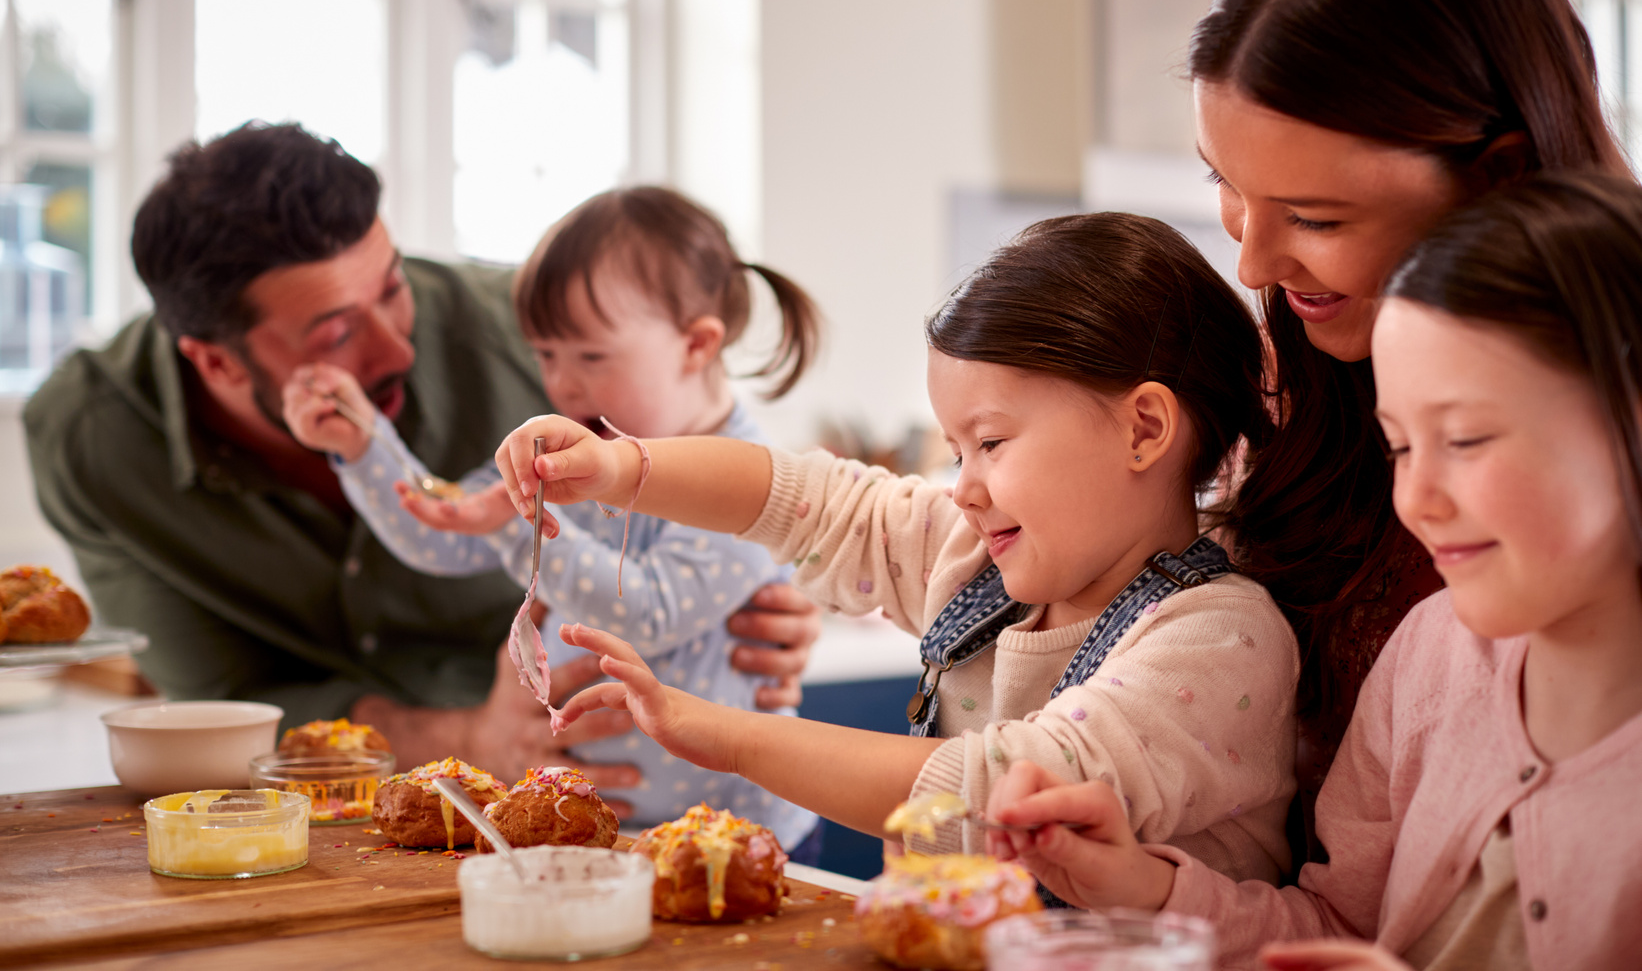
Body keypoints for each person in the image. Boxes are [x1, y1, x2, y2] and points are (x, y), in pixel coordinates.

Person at [496, 212, 1302, 887]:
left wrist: (723, 733)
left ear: (1144, 428)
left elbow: (995, 792)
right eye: (957, 452)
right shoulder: (977, 556)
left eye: (990, 442)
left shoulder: (1219, 638)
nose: (964, 486)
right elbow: (805, 498)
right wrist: (617, 465)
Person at [22, 123, 820, 791]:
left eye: (395, 288)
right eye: (336, 331)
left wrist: (782, 570)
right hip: (409, 802)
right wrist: (373, 454)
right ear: (219, 363)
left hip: (719, 814)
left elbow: (690, 552)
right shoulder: (93, 439)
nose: (398, 343)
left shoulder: (546, 328)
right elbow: (230, 702)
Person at [984, 174, 1642, 971]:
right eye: (1399, 447)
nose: (1418, 498)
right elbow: (1338, 923)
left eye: (1466, 440)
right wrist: (1140, 884)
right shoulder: (1428, 658)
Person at [1186, 0, 1632, 833]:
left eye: (1316, 216)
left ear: (1497, 177)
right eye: (1223, 182)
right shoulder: (1284, 371)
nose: (1253, 260)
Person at [280, 186, 825, 858]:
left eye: (591, 356)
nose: (563, 384)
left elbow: (646, 614)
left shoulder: (749, 477)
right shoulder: (577, 450)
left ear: (696, 343)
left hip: (736, 835)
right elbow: (439, 529)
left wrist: (518, 523)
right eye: (546, 354)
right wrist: (363, 447)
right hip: (596, 832)